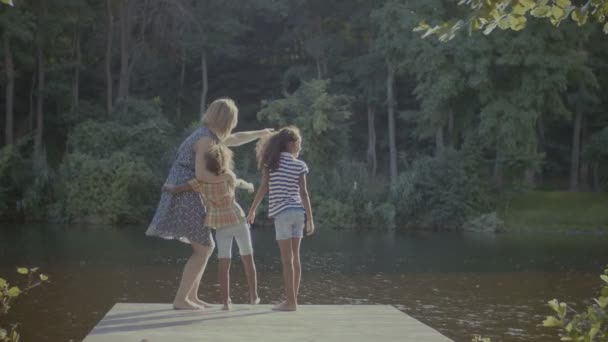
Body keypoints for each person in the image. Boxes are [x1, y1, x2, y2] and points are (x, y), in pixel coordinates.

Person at [146, 98, 271, 310]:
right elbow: (202, 174)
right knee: (204, 248)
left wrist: (260, 133)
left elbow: (236, 138)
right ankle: (181, 299)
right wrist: (228, 178)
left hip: (190, 191)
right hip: (186, 193)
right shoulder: (205, 139)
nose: (233, 125)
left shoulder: (210, 135)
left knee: (206, 246)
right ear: (226, 119)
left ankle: (191, 297)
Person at [164, 144, 260, 310]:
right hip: (237, 219)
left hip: (221, 225)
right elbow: (238, 183)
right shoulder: (228, 176)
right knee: (247, 258)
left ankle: (225, 302)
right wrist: (250, 186)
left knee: (224, 262)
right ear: (225, 160)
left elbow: (183, 188)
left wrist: (171, 188)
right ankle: (253, 296)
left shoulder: (201, 181)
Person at [247, 126, 315, 312]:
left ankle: (290, 302)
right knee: (296, 259)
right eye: (299, 143)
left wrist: (252, 211)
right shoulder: (299, 165)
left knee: (287, 260)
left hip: (283, 214)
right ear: (291, 144)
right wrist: (310, 219)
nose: (300, 146)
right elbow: (304, 194)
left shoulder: (271, 164)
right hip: (298, 213)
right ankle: (293, 300)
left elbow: (263, 189)